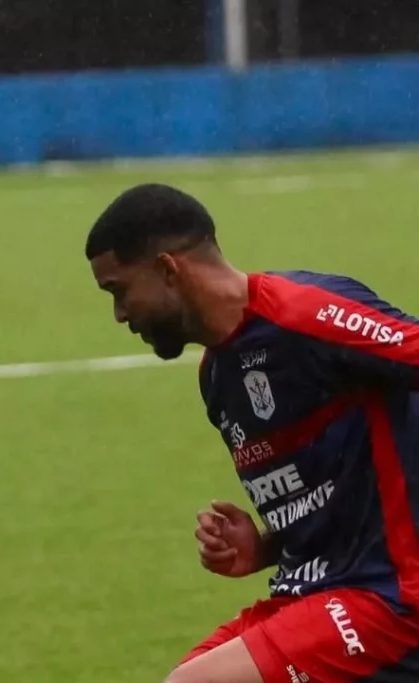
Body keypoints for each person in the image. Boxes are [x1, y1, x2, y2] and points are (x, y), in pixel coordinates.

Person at [85, 183, 419, 683]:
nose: (118, 314)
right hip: (314, 594)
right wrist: (263, 548)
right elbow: (340, 498)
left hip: (391, 600)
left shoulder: (304, 314)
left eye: (118, 290)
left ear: (168, 269)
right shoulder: (215, 377)